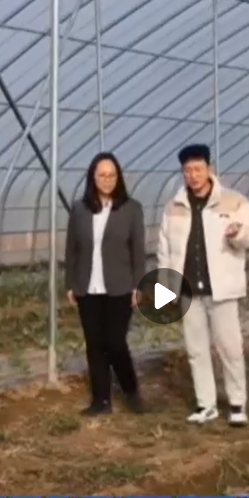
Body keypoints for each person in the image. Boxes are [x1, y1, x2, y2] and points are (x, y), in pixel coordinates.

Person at [156, 144, 249, 426]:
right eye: (187, 170)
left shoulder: (234, 201)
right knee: (196, 350)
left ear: (209, 169)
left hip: (222, 290)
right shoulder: (174, 208)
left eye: (198, 169)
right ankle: (206, 405)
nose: (193, 175)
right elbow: (164, 252)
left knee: (230, 349)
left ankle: (237, 404)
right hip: (188, 292)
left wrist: (238, 233)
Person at [65, 152, 147, 416]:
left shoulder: (131, 209)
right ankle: (101, 400)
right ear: (92, 177)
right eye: (102, 175)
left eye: (112, 175)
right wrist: (70, 283)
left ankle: (130, 390)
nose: (107, 179)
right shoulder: (80, 209)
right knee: (94, 344)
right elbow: (72, 249)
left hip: (120, 287)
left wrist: (138, 286)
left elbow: (138, 250)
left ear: (118, 177)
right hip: (87, 287)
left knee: (115, 342)